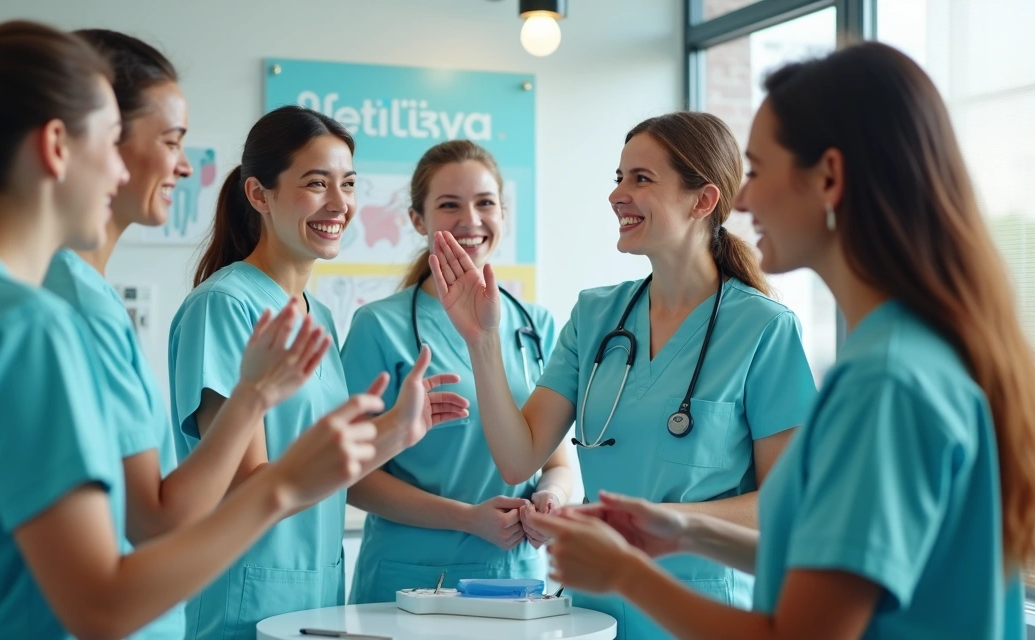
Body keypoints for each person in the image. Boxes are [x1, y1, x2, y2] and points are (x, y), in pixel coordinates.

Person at [0, 21, 382, 639]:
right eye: (112, 139)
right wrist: (283, 485)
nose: (125, 170)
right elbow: (100, 604)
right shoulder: (28, 326)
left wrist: (258, 403)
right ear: (56, 146)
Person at [533, 42, 1035, 639]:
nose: (743, 199)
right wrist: (688, 532)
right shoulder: (913, 352)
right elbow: (837, 570)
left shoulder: (884, 381)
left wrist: (625, 575)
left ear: (828, 177)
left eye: (759, 170)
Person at [428, 111, 818, 639]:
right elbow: (518, 455)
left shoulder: (763, 329)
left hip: (705, 611)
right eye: (619, 178)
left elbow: (784, 504)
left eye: (641, 178)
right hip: (598, 611)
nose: (617, 195)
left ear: (702, 200)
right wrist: (482, 340)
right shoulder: (596, 317)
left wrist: (654, 525)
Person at [42, 31, 340, 637]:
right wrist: (255, 400)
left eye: (349, 182)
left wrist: (386, 435)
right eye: (172, 141)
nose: (186, 165)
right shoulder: (81, 305)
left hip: (285, 596)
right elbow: (162, 517)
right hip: (227, 603)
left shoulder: (83, 298)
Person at [169, 105, 469, 639]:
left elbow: (328, 473)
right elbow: (248, 487)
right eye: (316, 183)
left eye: (348, 184)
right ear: (259, 195)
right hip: (242, 599)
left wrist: (396, 432)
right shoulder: (225, 306)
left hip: (315, 599)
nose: (340, 204)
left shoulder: (318, 315)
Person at [342, 140, 574, 604]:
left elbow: (559, 460)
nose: (470, 220)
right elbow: (350, 477)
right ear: (416, 220)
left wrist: (552, 497)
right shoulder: (379, 326)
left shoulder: (538, 325)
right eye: (449, 205)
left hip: (518, 577)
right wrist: (468, 517)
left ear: (503, 214)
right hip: (409, 581)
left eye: (485, 203)